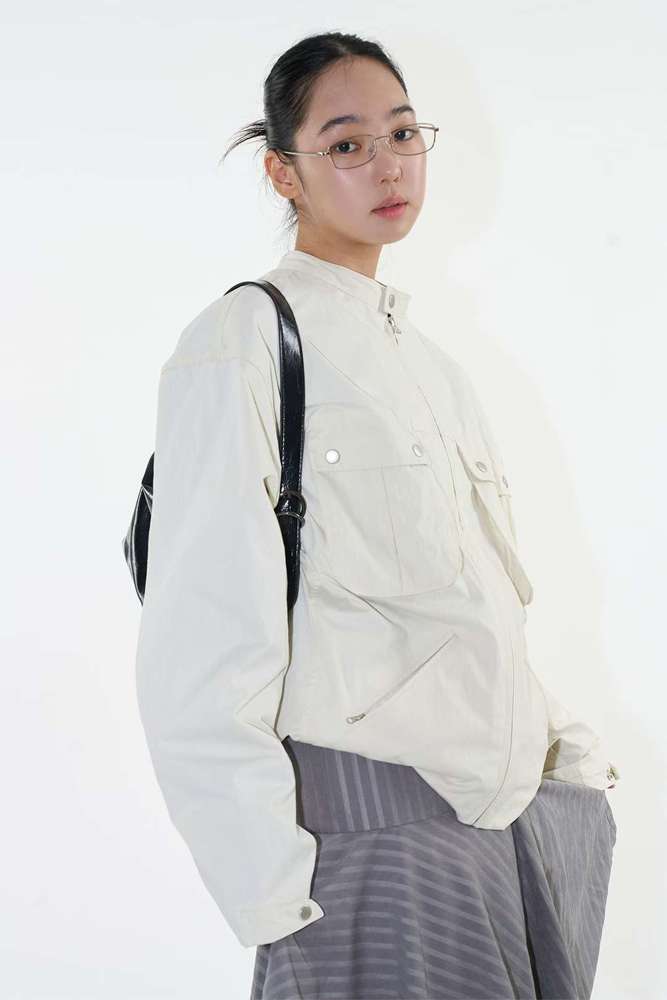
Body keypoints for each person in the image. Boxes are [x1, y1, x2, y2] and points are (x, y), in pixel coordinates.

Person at [134, 30, 620, 1000]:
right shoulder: (244, 339)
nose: (387, 164)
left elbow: (471, 607)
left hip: (499, 832)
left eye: (402, 133)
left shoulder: (431, 367)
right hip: (363, 842)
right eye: (346, 143)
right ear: (284, 171)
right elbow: (200, 637)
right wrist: (272, 886)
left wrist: (565, 757)